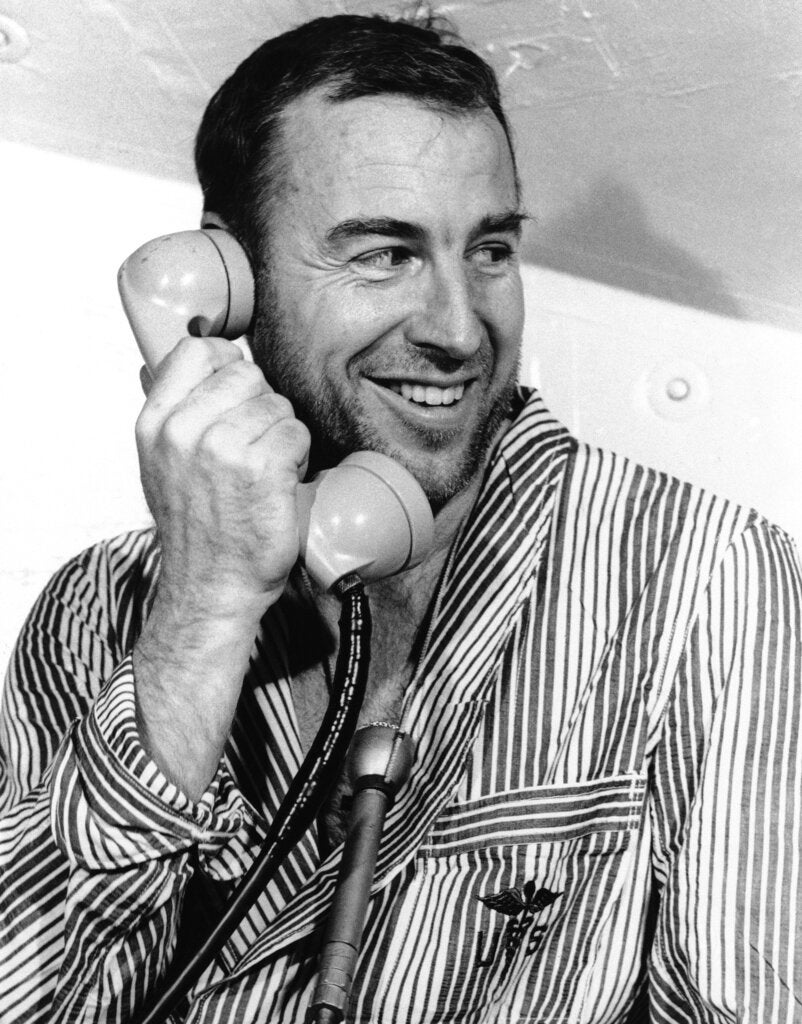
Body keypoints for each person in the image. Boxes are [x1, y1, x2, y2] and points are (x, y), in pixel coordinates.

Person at [1, 10, 801, 1023]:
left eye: (493, 250)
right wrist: (201, 617)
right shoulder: (93, 614)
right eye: (384, 254)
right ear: (223, 282)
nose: (461, 329)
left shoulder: (703, 576)